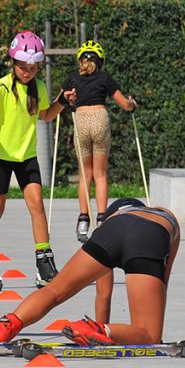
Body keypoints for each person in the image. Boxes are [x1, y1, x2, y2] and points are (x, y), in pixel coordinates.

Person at [0, 198, 180, 345]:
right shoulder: (166, 217)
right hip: (149, 235)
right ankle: (94, 328)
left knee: (54, 290)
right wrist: (103, 331)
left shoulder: (114, 218)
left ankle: (5, 325)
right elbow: (163, 281)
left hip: (110, 232)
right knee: (150, 335)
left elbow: (103, 293)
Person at [0, 31, 74, 290]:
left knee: (37, 205)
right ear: (13, 63)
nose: (28, 72)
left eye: (33, 68)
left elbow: (46, 116)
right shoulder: (2, 86)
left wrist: (61, 102)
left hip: (26, 156)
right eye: (23, 67)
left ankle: (44, 265)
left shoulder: (38, 88)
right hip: (0, 156)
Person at [61, 40, 136, 243]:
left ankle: (83, 220)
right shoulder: (104, 78)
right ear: (100, 61)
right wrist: (131, 105)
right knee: (100, 174)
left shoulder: (72, 78)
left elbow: (61, 100)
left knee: (85, 174)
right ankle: (102, 220)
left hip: (82, 120)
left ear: (80, 60)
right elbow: (123, 103)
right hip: (100, 119)